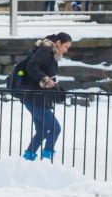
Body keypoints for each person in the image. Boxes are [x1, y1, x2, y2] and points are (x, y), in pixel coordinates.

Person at [11, 32, 71, 162]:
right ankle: (46, 159)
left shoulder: (51, 54)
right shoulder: (45, 51)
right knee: (55, 128)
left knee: (42, 131)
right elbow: (31, 66)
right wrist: (45, 80)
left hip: (38, 98)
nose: (66, 51)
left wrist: (54, 86)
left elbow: (49, 75)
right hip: (35, 97)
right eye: (66, 46)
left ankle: (28, 158)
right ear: (58, 42)